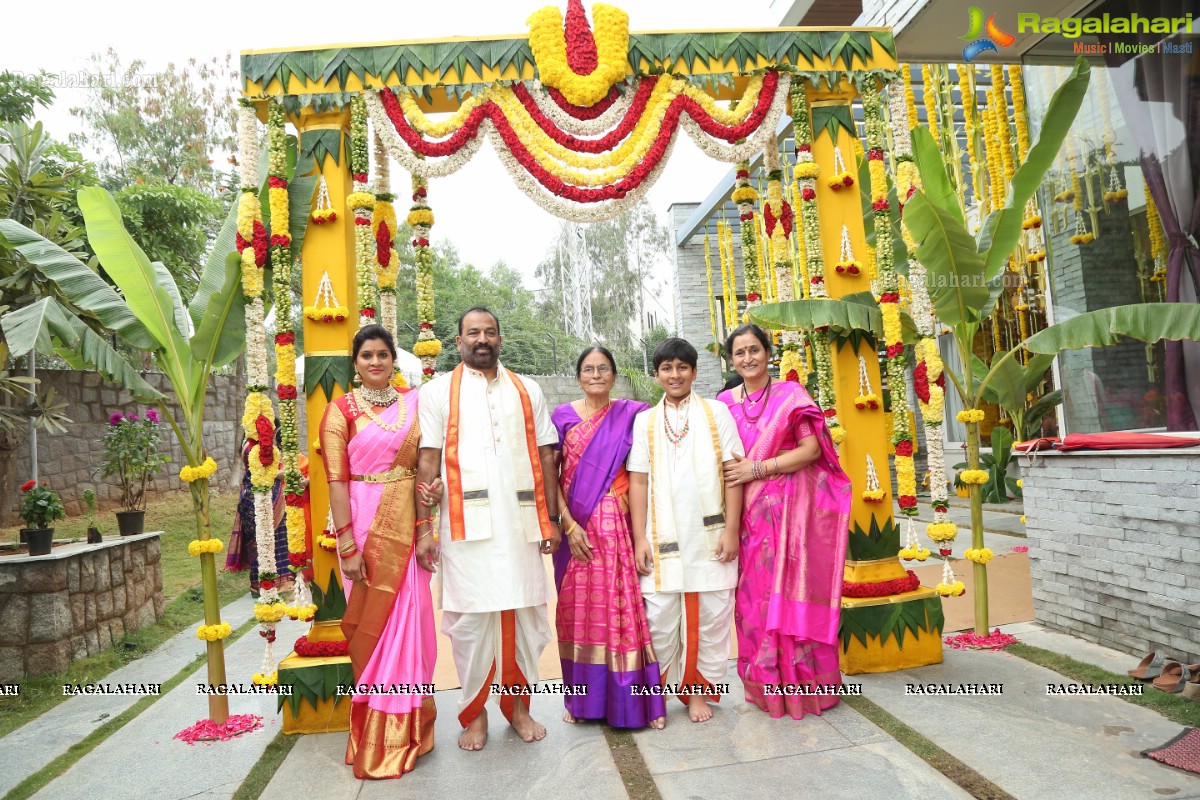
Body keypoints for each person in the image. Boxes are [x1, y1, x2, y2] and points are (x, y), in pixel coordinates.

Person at [415, 307, 562, 751]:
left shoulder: (527, 388)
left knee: (526, 619)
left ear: (501, 339)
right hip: (465, 531)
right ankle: (474, 714)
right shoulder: (437, 391)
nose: (482, 339)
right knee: (471, 625)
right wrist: (425, 528)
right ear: (458, 341)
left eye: (490, 332)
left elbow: (548, 454)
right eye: (473, 333)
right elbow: (426, 458)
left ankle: (519, 710)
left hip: (521, 529)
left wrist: (551, 519)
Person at [319, 324, 443, 780]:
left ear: (394, 360)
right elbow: (336, 481)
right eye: (367, 355)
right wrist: (347, 544)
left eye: (383, 355)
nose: (375, 362)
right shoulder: (339, 412)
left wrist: (428, 521)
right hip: (364, 524)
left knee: (410, 621)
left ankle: (413, 727)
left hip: (407, 524)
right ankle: (375, 733)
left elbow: (426, 468)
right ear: (355, 363)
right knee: (373, 625)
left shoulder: (416, 405)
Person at [717, 324, 852, 719]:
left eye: (754, 350)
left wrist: (758, 468)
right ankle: (766, 688)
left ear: (767, 352)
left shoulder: (792, 396)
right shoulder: (724, 403)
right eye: (739, 352)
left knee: (793, 593)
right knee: (754, 601)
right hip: (748, 519)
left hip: (790, 517)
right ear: (731, 359)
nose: (747, 358)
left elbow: (811, 450)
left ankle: (805, 687)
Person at [627, 337, 744, 723]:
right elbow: (638, 482)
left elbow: (733, 475)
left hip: (709, 536)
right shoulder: (644, 420)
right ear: (657, 374)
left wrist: (731, 530)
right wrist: (640, 537)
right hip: (661, 538)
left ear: (694, 372)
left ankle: (697, 694)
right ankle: (658, 693)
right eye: (666, 368)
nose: (674, 374)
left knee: (710, 619)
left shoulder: (716, 413)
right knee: (660, 620)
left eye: (682, 367)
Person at [551, 346, 666, 730]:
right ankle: (580, 701)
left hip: (616, 528)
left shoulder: (632, 414)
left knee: (622, 613)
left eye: (603, 369)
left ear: (614, 376)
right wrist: (567, 523)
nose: (596, 375)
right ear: (578, 376)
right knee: (577, 614)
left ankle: (634, 702)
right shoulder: (562, 417)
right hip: (576, 533)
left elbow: (642, 473)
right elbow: (550, 477)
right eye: (588, 369)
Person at [224, 428, 304, 597]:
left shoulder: (254, 445)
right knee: (263, 541)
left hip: (265, 496)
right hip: (258, 498)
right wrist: (286, 474)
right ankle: (268, 583)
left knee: (274, 539)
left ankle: (272, 582)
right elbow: (264, 473)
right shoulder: (253, 448)